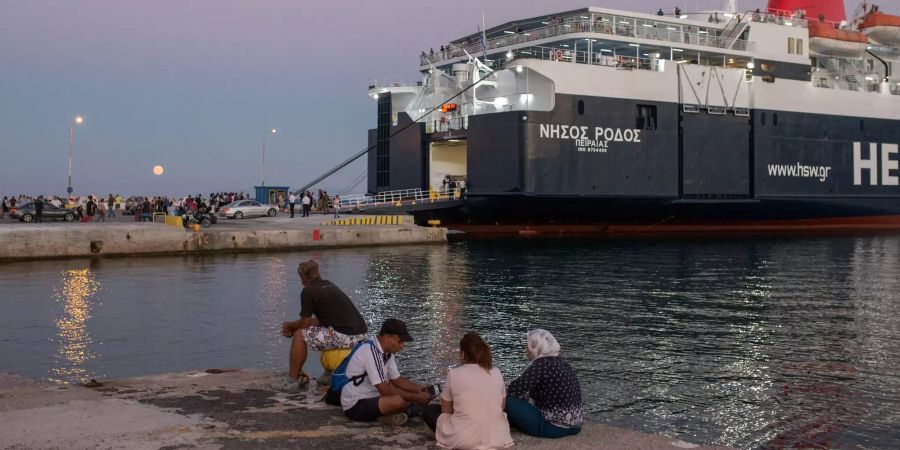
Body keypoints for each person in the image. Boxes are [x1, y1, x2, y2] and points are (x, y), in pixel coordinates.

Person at [275, 260, 368, 392]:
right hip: (360, 335)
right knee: (323, 330)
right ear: (318, 273)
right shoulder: (329, 286)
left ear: (303, 277)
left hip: (347, 336)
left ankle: (292, 381)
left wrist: (290, 326)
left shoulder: (308, 291)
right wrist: (294, 325)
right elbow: (318, 321)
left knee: (299, 336)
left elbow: (305, 324)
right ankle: (329, 374)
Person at [424, 332, 514, 449]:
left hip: (463, 439)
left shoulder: (454, 374)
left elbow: (446, 410)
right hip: (498, 437)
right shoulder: (496, 372)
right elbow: (501, 406)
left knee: (428, 411)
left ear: (462, 354)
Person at [341, 318, 431, 425]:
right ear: (386, 337)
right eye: (400, 341)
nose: (402, 345)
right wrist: (417, 397)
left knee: (410, 397)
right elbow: (385, 390)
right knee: (398, 401)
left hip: (374, 397)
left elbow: (397, 380)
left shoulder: (387, 353)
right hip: (355, 403)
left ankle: (392, 414)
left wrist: (422, 389)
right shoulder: (370, 352)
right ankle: (387, 416)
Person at [505, 329, 583, 438]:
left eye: (528, 346)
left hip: (553, 427)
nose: (525, 349)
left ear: (537, 347)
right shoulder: (561, 362)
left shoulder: (542, 364)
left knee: (505, 399)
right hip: (575, 427)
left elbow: (514, 389)